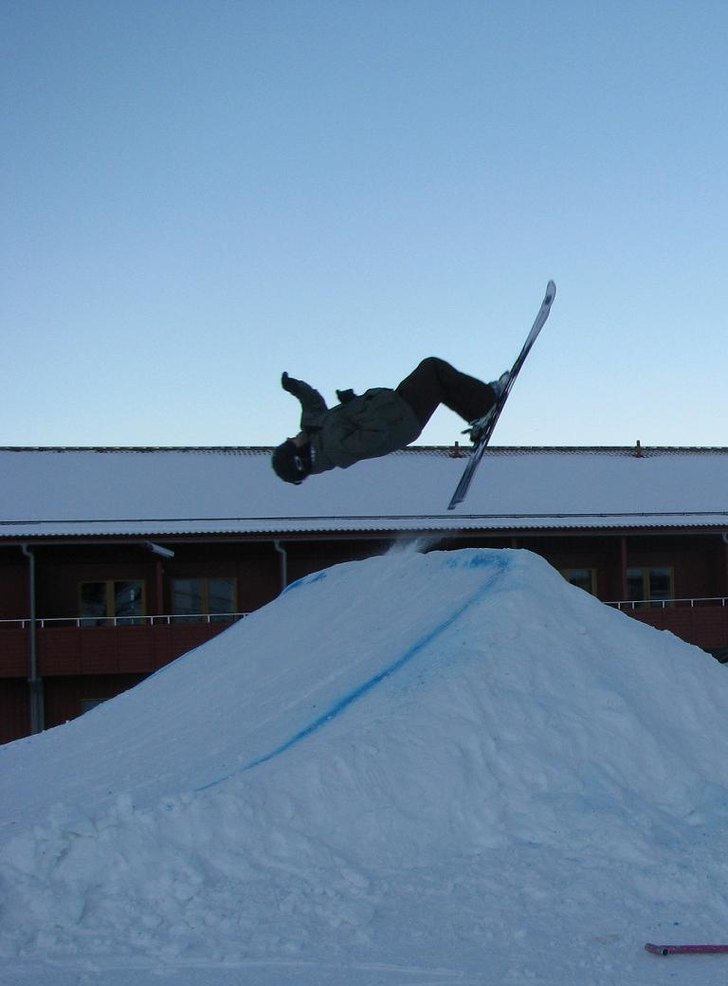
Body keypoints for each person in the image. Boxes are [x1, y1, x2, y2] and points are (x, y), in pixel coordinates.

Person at [271, 356, 509, 485]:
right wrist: (353, 405)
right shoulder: (336, 449)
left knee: (439, 384)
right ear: (299, 457)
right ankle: (487, 401)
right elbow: (376, 435)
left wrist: (294, 387)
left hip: (394, 405)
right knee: (433, 369)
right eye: (291, 443)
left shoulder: (315, 434)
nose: (292, 438)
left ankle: (479, 416)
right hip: (402, 421)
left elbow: (312, 405)